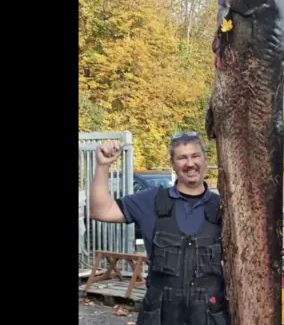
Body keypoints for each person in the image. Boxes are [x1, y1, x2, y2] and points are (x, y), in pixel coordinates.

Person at [89, 131, 229, 325]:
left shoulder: (225, 208)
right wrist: (103, 166)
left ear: (205, 159)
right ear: (172, 163)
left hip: (210, 316)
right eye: (182, 157)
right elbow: (101, 211)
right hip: (160, 317)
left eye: (195, 155)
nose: (190, 163)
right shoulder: (150, 201)